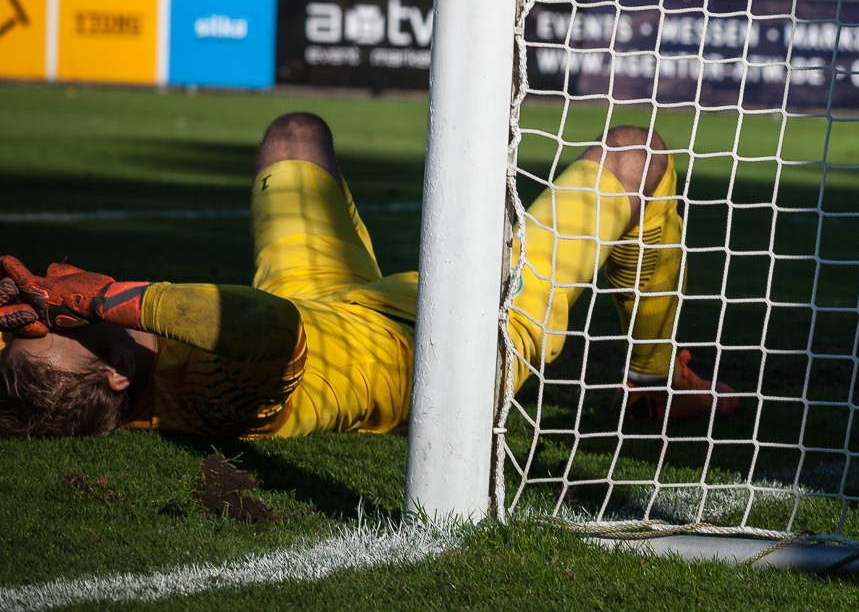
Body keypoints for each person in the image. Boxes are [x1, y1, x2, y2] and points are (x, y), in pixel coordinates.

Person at [0, 112, 734, 440]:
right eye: (70, 323)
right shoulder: (221, 394)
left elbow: (43, 372)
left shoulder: (87, 383)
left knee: (296, 135)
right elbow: (266, 324)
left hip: (329, 302)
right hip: (463, 337)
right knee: (638, 155)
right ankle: (656, 377)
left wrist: (31, 323)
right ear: (120, 371)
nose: (59, 307)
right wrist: (104, 293)